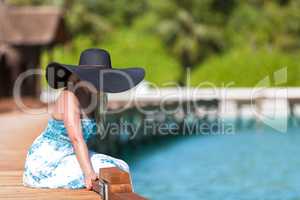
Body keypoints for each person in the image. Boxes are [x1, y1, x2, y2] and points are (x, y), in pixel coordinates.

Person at [23, 48, 145, 189]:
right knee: (110, 171)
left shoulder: (93, 97)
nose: (100, 84)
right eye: (96, 79)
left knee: (122, 167)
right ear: (81, 77)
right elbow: (76, 138)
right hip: (48, 162)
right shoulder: (69, 96)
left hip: (70, 156)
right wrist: (88, 173)